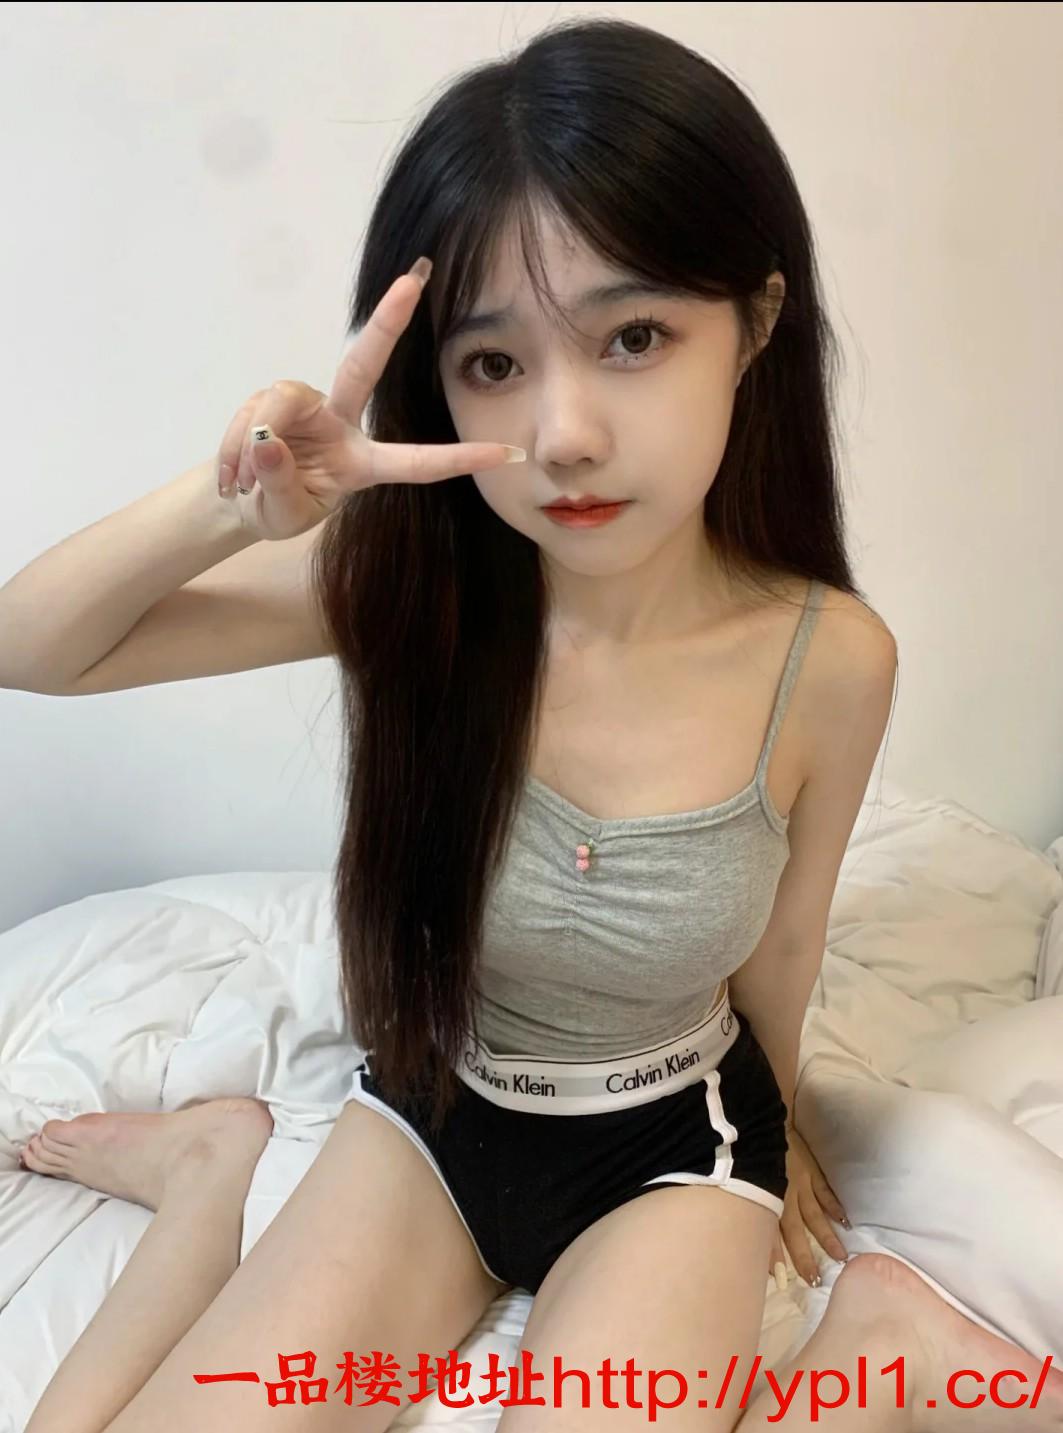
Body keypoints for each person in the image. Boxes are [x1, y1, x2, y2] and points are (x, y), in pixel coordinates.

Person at [5, 15, 1060, 1433]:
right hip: (434, 1110)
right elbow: (30, 649)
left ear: (753, 325)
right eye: (495, 363)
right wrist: (228, 503)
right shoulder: (407, 589)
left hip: (668, 1147)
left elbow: (787, 936)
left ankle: (888, 1333)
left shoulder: (828, 659)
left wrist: (797, 1115)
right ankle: (213, 1166)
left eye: (635, 338)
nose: (564, 433)